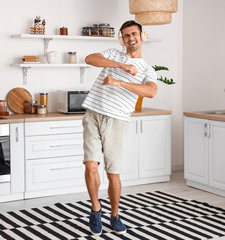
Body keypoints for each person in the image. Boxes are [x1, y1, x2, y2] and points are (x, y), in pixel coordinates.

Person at [82, 20, 158, 236]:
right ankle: (96, 209)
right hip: (93, 115)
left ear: (142, 35)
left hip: (117, 121)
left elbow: (151, 91)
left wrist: (120, 82)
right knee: (91, 166)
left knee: (112, 173)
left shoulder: (147, 69)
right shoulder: (113, 55)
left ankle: (114, 215)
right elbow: (90, 59)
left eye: (134, 34)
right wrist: (121, 66)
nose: (130, 38)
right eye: (126, 35)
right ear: (122, 39)